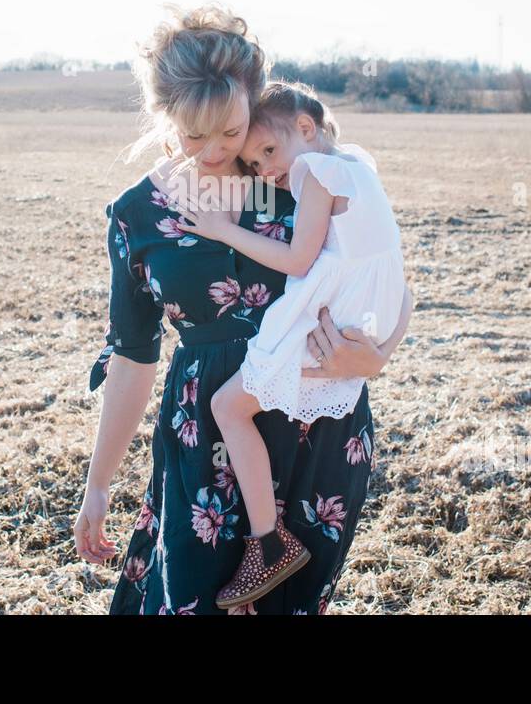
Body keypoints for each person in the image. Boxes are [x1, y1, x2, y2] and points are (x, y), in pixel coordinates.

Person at [73, 3, 413, 614]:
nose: (212, 150)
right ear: (164, 117)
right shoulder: (137, 215)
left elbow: (385, 271)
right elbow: (131, 356)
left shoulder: (299, 179)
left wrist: (376, 358)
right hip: (202, 438)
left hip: (317, 431)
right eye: (192, 133)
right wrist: (98, 484)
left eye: (230, 132)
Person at [173, 79, 406, 609]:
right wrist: (383, 347)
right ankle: (271, 539)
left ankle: (269, 543)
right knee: (243, 408)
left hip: (324, 319)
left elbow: (299, 261)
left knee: (227, 407)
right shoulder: (359, 167)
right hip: (362, 320)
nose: (266, 171)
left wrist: (221, 229)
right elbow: (402, 286)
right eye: (254, 164)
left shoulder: (317, 173)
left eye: (269, 152)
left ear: (306, 128)